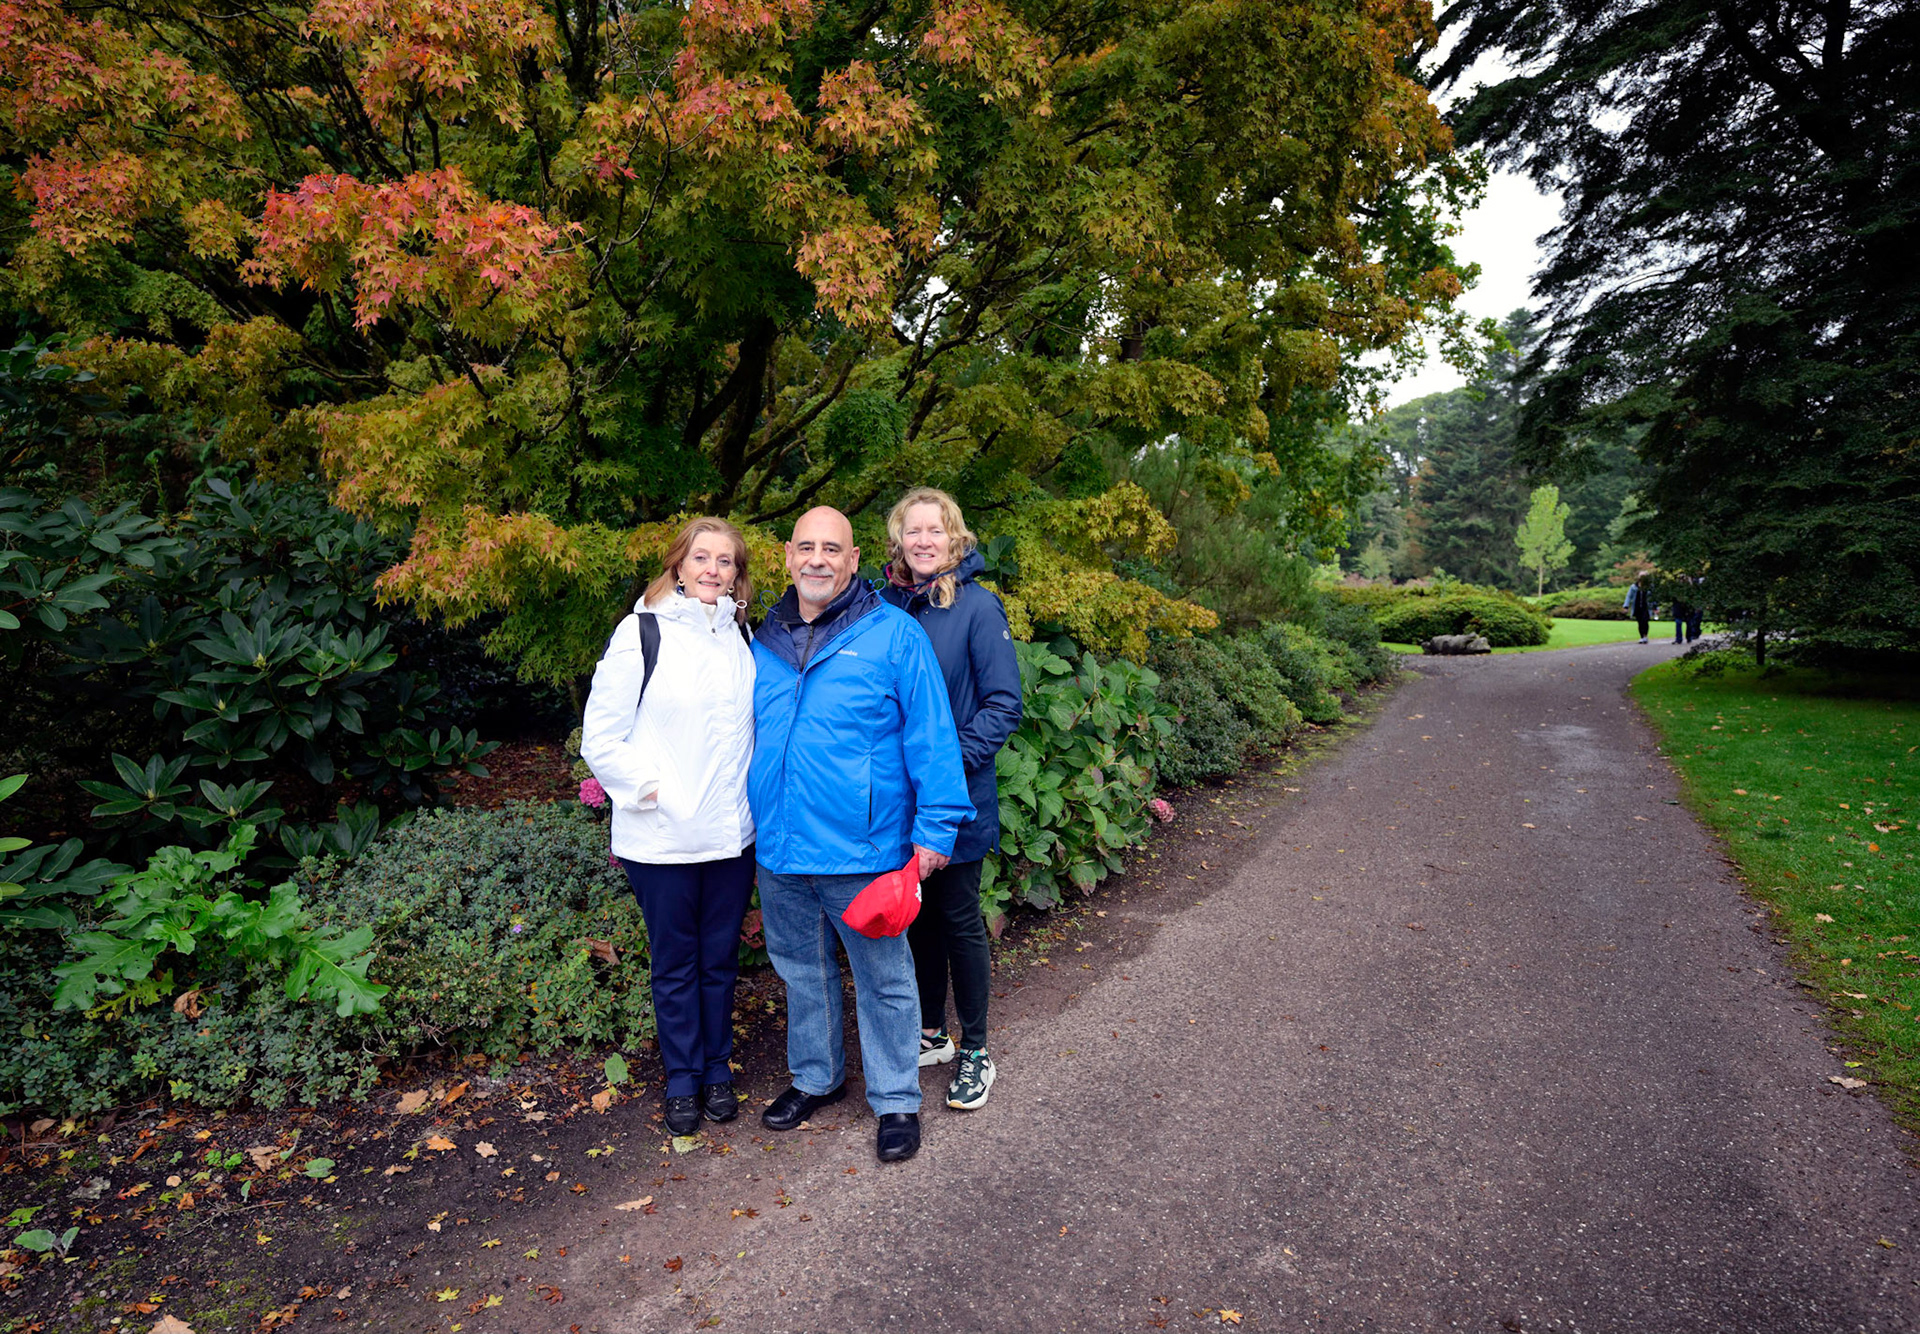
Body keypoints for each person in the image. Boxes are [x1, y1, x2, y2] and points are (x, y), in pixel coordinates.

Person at [749, 506, 974, 1164]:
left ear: (853, 561)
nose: (818, 559)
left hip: (865, 850)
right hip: (782, 848)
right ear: (788, 556)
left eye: (833, 549)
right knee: (801, 972)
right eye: (806, 548)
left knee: (884, 979)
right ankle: (815, 1079)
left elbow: (933, 738)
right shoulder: (762, 640)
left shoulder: (894, 637)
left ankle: (897, 1097)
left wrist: (935, 830)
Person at [581, 518, 757, 1138]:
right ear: (678, 565)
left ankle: (716, 1070)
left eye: (726, 561)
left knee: (719, 960)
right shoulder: (641, 632)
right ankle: (682, 1078)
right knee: (676, 964)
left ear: (738, 574)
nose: (713, 569)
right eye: (701, 558)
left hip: (731, 836)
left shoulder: (739, 634)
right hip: (662, 837)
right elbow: (601, 737)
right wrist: (658, 793)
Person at [879, 487, 1022, 1112]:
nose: (924, 541)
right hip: (896, 800)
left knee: (959, 917)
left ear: (954, 537)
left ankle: (976, 1049)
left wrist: (940, 766)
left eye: (935, 531)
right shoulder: (883, 608)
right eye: (914, 531)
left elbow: (1002, 707)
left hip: (956, 797)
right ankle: (932, 1033)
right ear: (898, 541)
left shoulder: (977, 608)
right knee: (918, 917)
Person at [1624, 571, 1655, 643]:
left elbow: (1653, 597)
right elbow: (1629, 596)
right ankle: (1641, 636)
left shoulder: (1650, 587)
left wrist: (1655, 607)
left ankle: (1645, 636)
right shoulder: (1634, 587)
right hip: (1637, 607)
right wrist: (1626, 606)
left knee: (1645, 621)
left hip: (1646, 607)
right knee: (1640, 622)